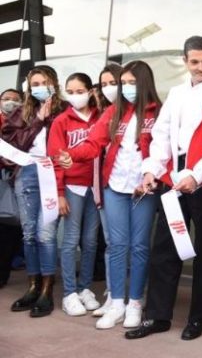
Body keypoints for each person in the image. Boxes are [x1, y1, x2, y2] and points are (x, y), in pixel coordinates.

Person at [125, 36, 202, 341]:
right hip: (173, 180)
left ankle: (198, 317)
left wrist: (197, 176)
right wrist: (151, 170)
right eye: (194, 62)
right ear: (185, 62)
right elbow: (161, 134)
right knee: (164, 248)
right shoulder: (176, 93)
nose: (200, 67)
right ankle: (158, 316)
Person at [58, 60, 162, 330]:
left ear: (144, 83)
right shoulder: (114, 112)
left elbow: (165, 151)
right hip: (114, 186)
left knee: (139, 247)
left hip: (143, 190)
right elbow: (94, 143)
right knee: (117, 245)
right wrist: (72, 155)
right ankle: (116, 302)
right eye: (122, 83)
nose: (125, 88)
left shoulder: (158, 112)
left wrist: (153, 177)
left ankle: (135, 302)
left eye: (131, 83)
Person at [3, 65, 67, 317]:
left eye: (44, 82)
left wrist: (50, 117)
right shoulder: (23, 111)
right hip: (27, 173)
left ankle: (47, 289)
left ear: (54, 82)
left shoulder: (64, 110)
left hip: (53, 172)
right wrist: (39, 119)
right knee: (29, 234)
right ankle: (33, 285)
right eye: (35, 84)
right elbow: (14, 143)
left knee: (45, 233)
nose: (39, 88)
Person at [47, 73, 102, 316]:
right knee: (70, 241)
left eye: (80, 90)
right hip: (72, 187)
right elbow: (56, 159)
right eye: (70, 91)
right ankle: (69, 293)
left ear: (90, 91)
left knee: (90, 242)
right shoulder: (61, 120)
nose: (75, 95)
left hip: (96, 187)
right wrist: (59, 193)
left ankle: (84, 288)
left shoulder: (101, 117)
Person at [91, 62, 123, 317]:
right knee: (112, 243)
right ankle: (114, 294)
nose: (109, 88)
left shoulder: (135, 113)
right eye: (104, 84)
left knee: (130, 244)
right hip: (104, 185)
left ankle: (131, 294)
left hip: (130, 188)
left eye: (114, 83)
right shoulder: (102, 113)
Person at [0, 88, 24, 288]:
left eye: (15, 100)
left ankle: (2, 273)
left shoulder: (26, 124)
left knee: (10, 226)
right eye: (6, 99)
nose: (10, 103)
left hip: (15, 178)